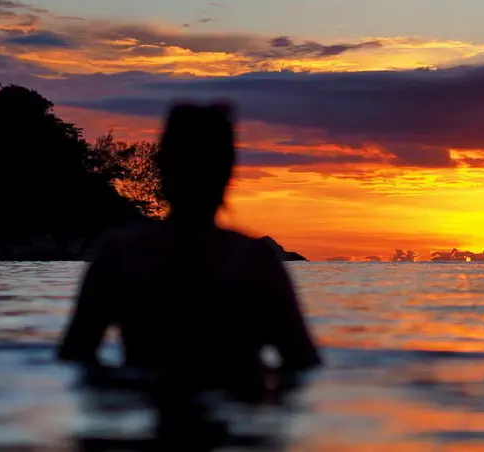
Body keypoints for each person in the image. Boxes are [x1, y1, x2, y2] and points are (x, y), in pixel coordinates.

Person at [57, 103, 321, 399]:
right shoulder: (254, 261)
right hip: (238, 423)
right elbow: (302, 363)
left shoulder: (120, 256)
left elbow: (76, 357)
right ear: (228, 171)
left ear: (161, 165)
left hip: (146, 416)